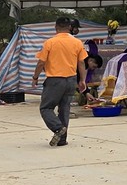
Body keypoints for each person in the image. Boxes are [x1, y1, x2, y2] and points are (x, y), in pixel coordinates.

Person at [32, 17, 87, 147]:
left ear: (56, 27)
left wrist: (35, 77)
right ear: (69, 28)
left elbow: (41, 62)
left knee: (46, 107)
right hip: (71, 80)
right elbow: (81, 63)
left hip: (54, 80)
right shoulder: (77, 43)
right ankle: (62, 140)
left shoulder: (50, 43)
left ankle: (58, 129)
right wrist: (82, 80)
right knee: (64, 109)